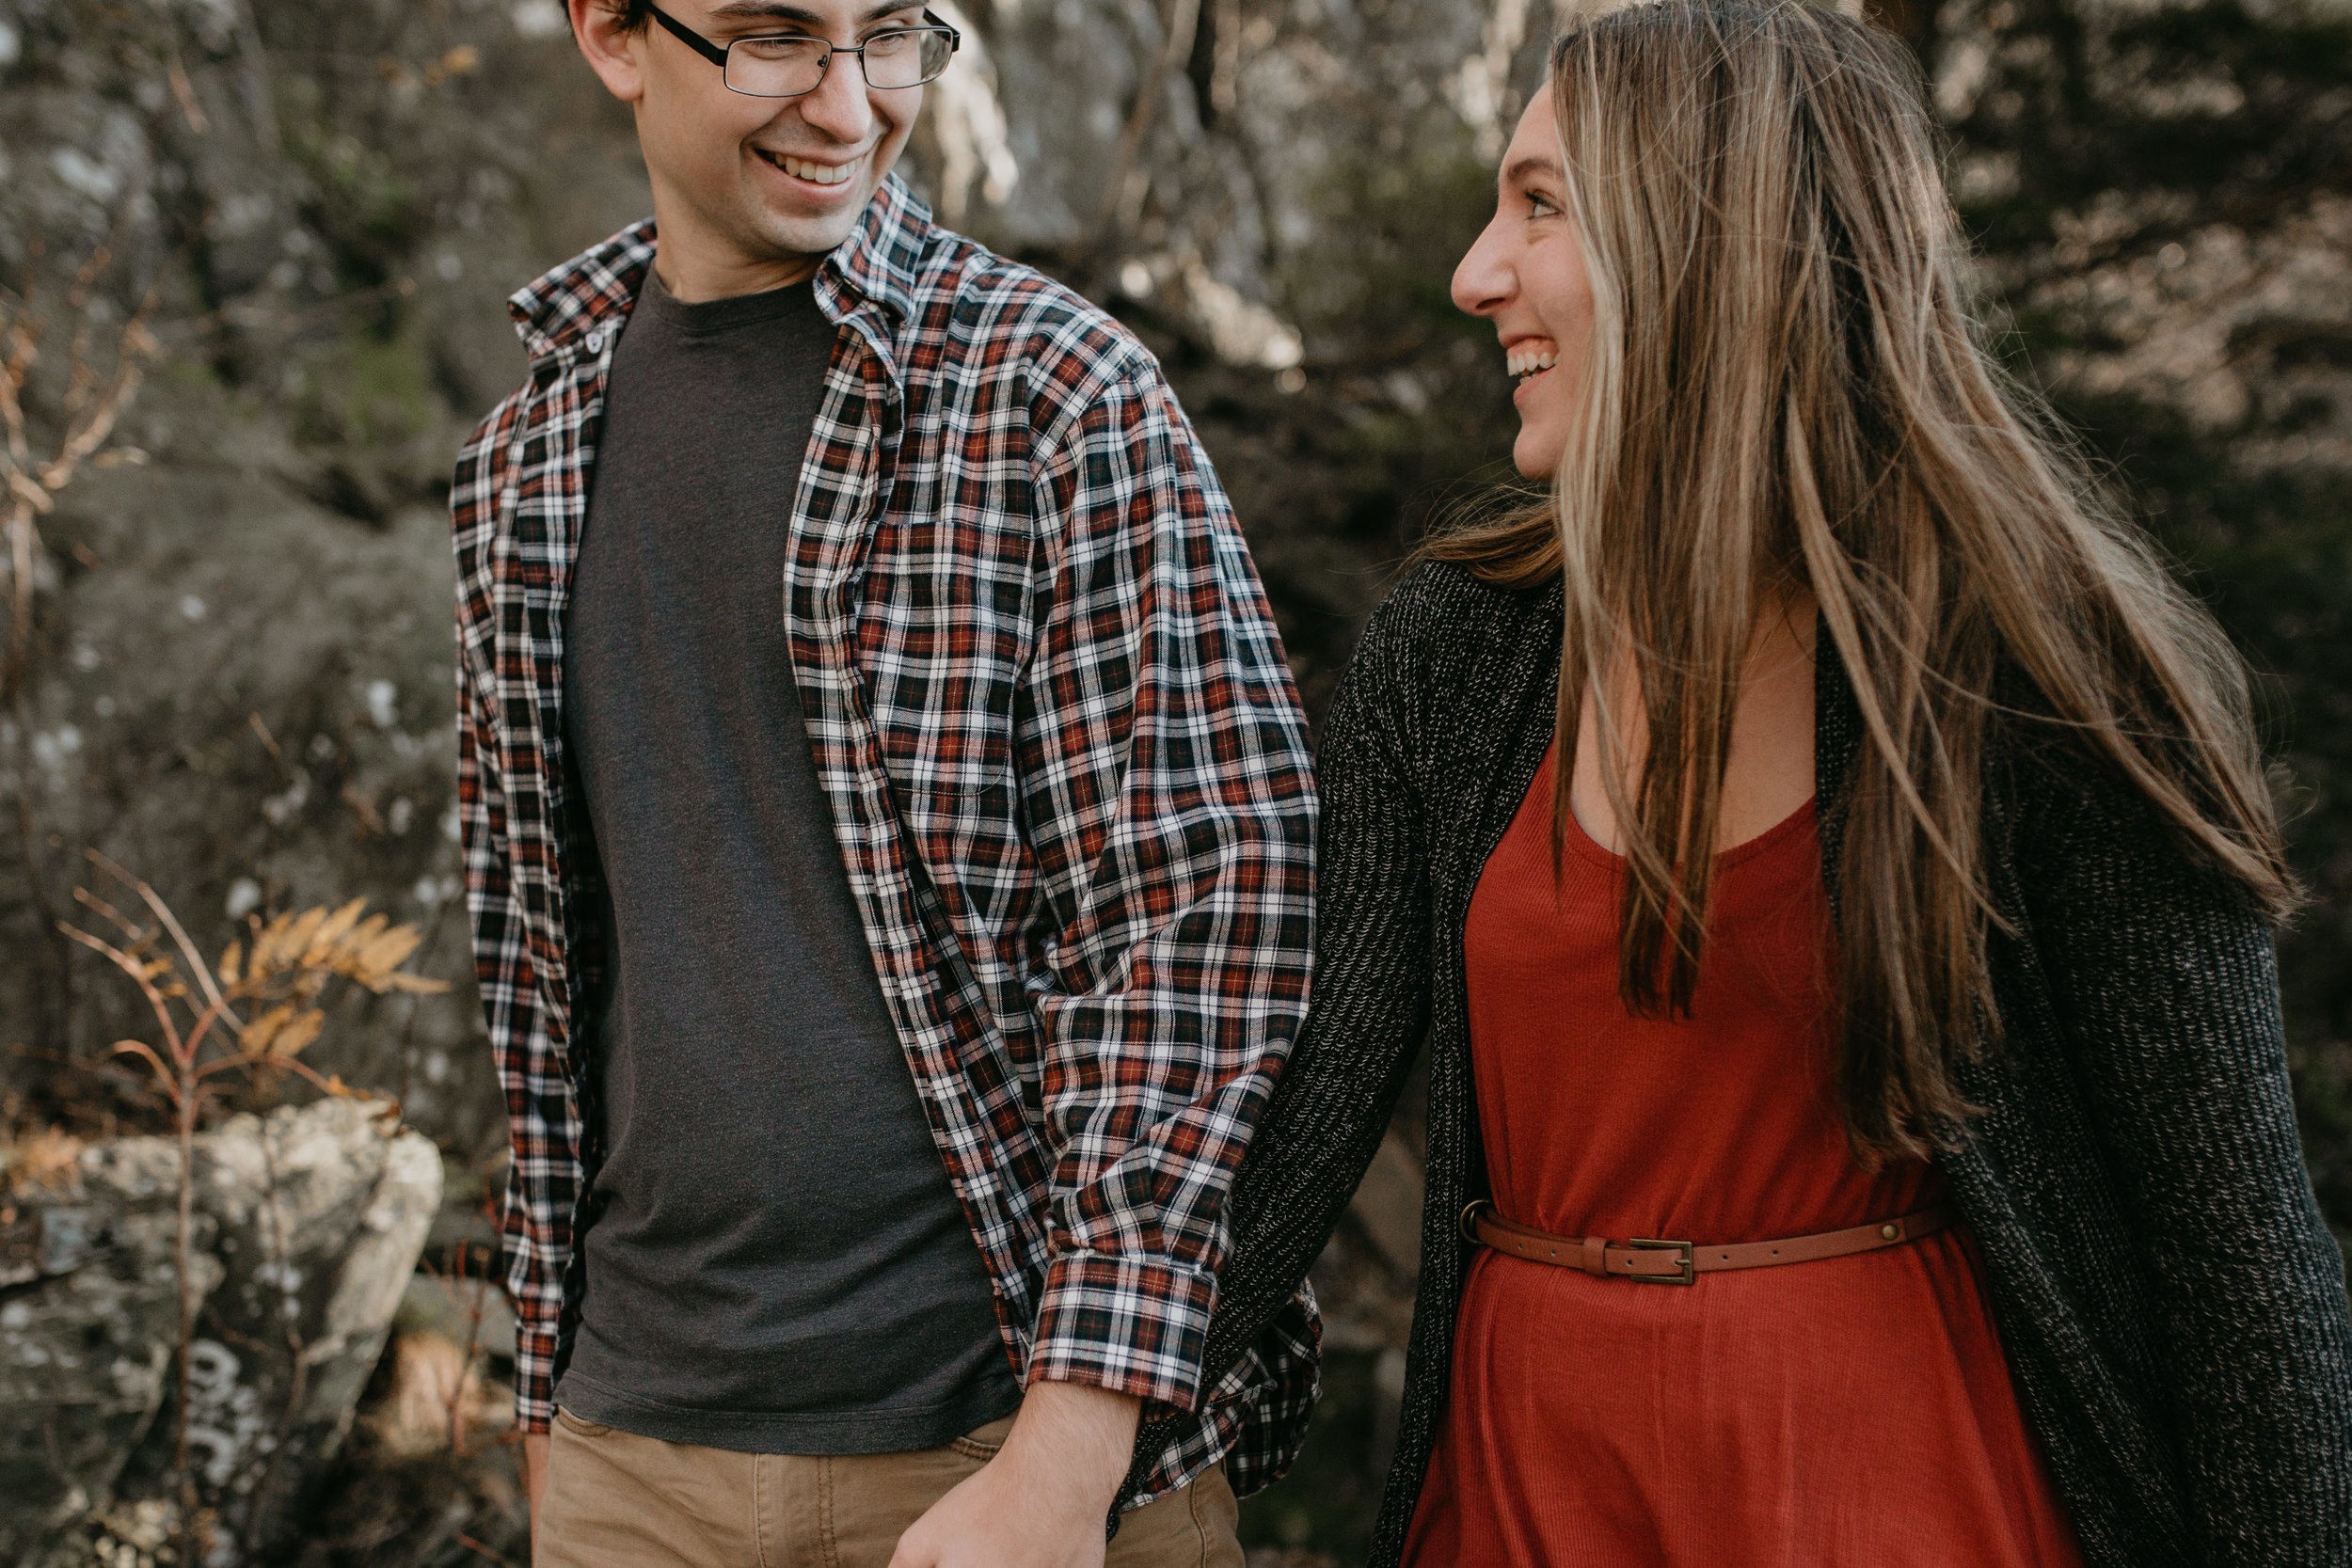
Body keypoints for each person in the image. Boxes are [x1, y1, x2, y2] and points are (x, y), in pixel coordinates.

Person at [1175, 3, 2352, 1565]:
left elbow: (2247, 1282)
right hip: (1526, 1493)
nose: (1476, 274)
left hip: (1900, 1490)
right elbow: (1290, 1125)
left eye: (1541, 207)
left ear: (1710, 247)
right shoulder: (1457, 654)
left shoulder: (2036, 683)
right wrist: (1047, 1424)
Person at [447, 2, 1319, 1562]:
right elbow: (542, 965)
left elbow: (1206, 929)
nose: (848, 107)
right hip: (635, 1455)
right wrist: (548, 1415)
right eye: (777, 39)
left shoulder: (1058, 398)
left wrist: (1066, 1459)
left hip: (1010, 1448)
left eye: (892, 36)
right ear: (609, 32)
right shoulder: (526, 456)